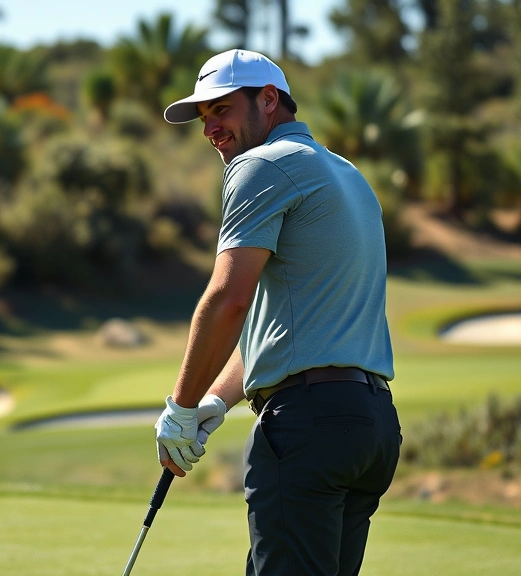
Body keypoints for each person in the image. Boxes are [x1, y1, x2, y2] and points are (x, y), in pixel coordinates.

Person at [152, 49, 402, 576]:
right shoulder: (348, 175)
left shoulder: (261, 165)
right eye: (204, 117)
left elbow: (229, 299)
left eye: (221, 110)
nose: (210, 129)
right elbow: (289, 325)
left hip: (309, 426)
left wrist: (181, 407)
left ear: (269, 100)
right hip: (371, 427)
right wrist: (216, 401)